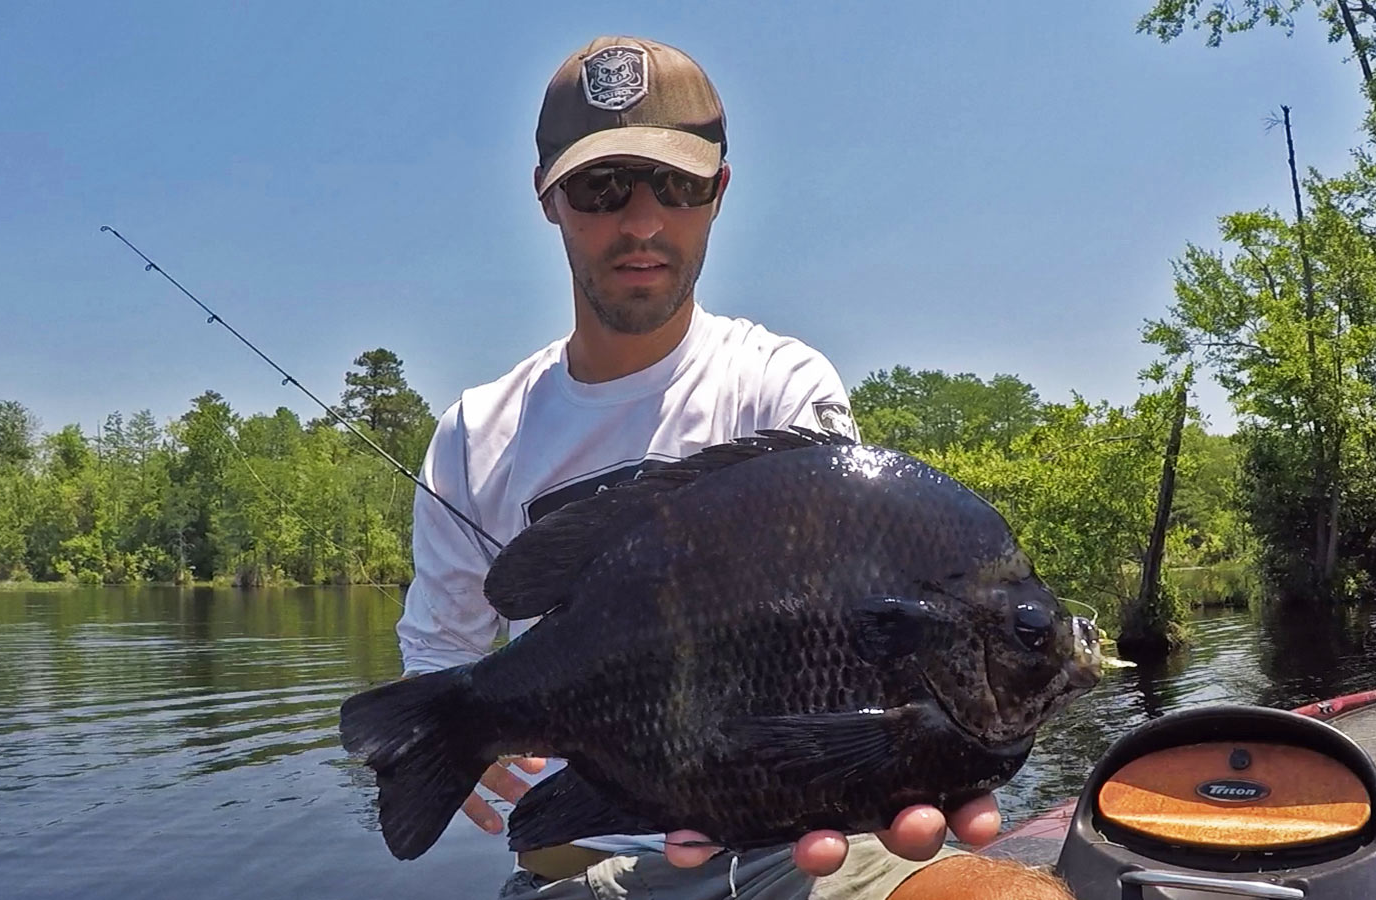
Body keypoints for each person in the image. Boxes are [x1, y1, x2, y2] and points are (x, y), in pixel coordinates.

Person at [392, 35, 1072, 900]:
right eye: (601, 189)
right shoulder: (472, 435)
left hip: (796, 845)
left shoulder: (782, 383)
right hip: (588, 857)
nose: (642, 223)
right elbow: (438, 664)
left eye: (675, 186)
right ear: (548, 199)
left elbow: (840, 629)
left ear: (718, 192)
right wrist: (476, 747)